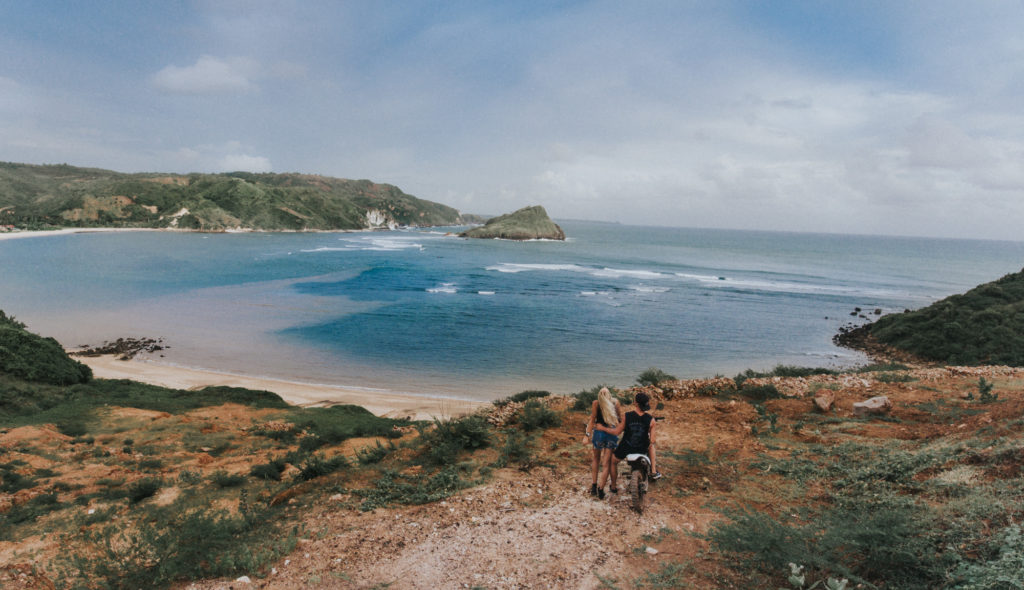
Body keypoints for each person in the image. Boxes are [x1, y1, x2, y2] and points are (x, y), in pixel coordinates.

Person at [595, 392, 661, 495]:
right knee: (651, 446)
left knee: (613, 462)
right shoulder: (651, 420)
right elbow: (652, 440)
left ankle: (613, 486)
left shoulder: (627, 416)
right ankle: (653, 470)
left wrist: (602, 428)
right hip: (641, 448)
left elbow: (616, 432)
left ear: (636, 403)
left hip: (626, 447)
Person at [583, 387, 624, 500]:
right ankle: (601, 490)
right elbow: (620, 419)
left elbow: (592, 420)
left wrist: (587, 435)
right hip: (611, 433)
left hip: (599, 433)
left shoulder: (596, 403)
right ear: (609, 394)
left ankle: (594, 485)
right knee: (606, 463)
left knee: (596, 459)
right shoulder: (615, 403)